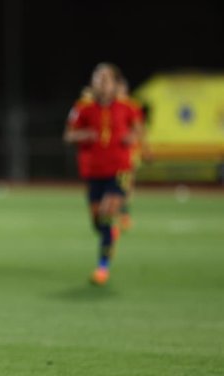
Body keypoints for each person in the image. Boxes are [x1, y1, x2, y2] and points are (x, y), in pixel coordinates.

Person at [63, 62, 142, 285]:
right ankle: (109, 233)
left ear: (116, 84)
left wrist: (132, 138)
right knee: (98, 222)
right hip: (94, 171)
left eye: (106, 79)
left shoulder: (128, 107)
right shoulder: (83, 107)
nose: (101, 83)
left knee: (107, 213)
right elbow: (68, 135)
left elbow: (137, 130)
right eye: (97, 78)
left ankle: (102, 267)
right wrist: (83, 135)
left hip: (120, 169)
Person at [115, 78, 147, 231]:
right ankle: (119, 211)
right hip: (113, 153)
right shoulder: (111, 107)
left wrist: (145, 147)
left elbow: (139, 128)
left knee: (126, 183)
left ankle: (123, 212)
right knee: (116, 183)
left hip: (129, 152)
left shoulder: (131, 106)